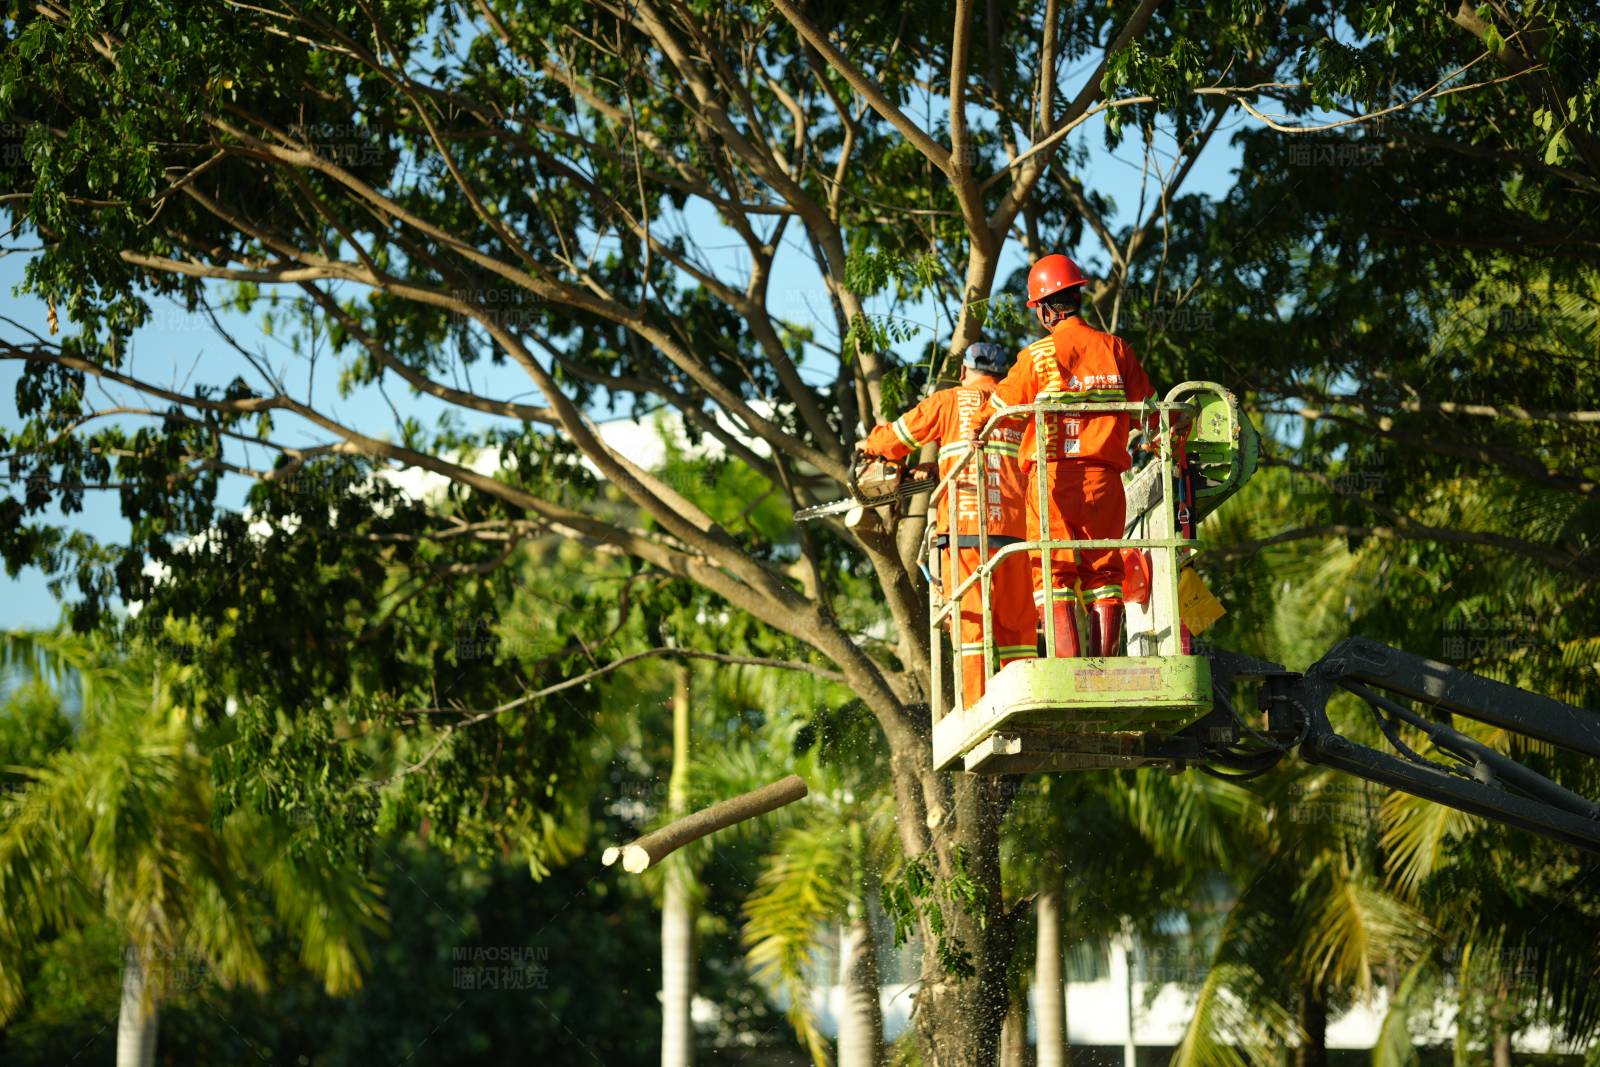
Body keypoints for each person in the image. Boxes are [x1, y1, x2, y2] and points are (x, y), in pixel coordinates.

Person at [974, 254, 1154, 658]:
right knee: (1105, 570)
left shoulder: (1036, 356)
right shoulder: (1115, 348)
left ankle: (1070, 667)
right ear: (1076, 296)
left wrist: (975, 431)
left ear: (1044, 309)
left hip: (1050, 482)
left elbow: (996, 411)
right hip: (1104, 482)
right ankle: (1106, 663)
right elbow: (1154, 414)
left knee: (1052, 570)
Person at [859, 341, 1033, 707]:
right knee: (1017, 629)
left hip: (966, 533)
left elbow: (895, 439)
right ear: (1000, 374)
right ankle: (1025, 704)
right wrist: (937, 468)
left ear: (963, 372)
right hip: (1019, 535)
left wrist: (869, 443)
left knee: (971, 630)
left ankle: (977, 712)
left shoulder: (949, 400)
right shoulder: (1020, 405)